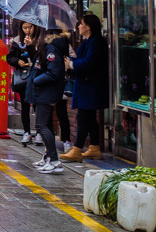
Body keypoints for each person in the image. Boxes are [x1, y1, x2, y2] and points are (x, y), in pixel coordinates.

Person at [60, 13, 109, 162]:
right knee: (90, 118)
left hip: (91, 86)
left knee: (83, 117)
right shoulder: (88, 41)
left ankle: (76, 150)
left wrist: (72, 64)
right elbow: (83, 59)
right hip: (86, 85)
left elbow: (89, 63)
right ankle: (94, 148)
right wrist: (70, 61)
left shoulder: (96, 42)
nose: (79, 27)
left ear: (88, 26)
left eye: (81, 24)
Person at [26, 25, 70, 174]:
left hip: (46, 92)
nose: (32, 32)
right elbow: (39, 65)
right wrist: (31, 47)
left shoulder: (52, 48)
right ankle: (48, 158)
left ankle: (54, 160)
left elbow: (54, 72)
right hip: (42, 92)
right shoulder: (46, 47)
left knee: (41, 125)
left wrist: (36, 81)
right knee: (46, 126)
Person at [7, 21, 40, 145]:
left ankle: (39, 133)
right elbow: (9, 57)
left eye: (29, 27)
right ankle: (27, 132)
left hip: (37, 76)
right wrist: (18, 62)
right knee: (25, 106)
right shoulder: (17, 42)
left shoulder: (40, 40)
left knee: (37, 106)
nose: (27, 30)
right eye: (24, 27)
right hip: (24, 77)